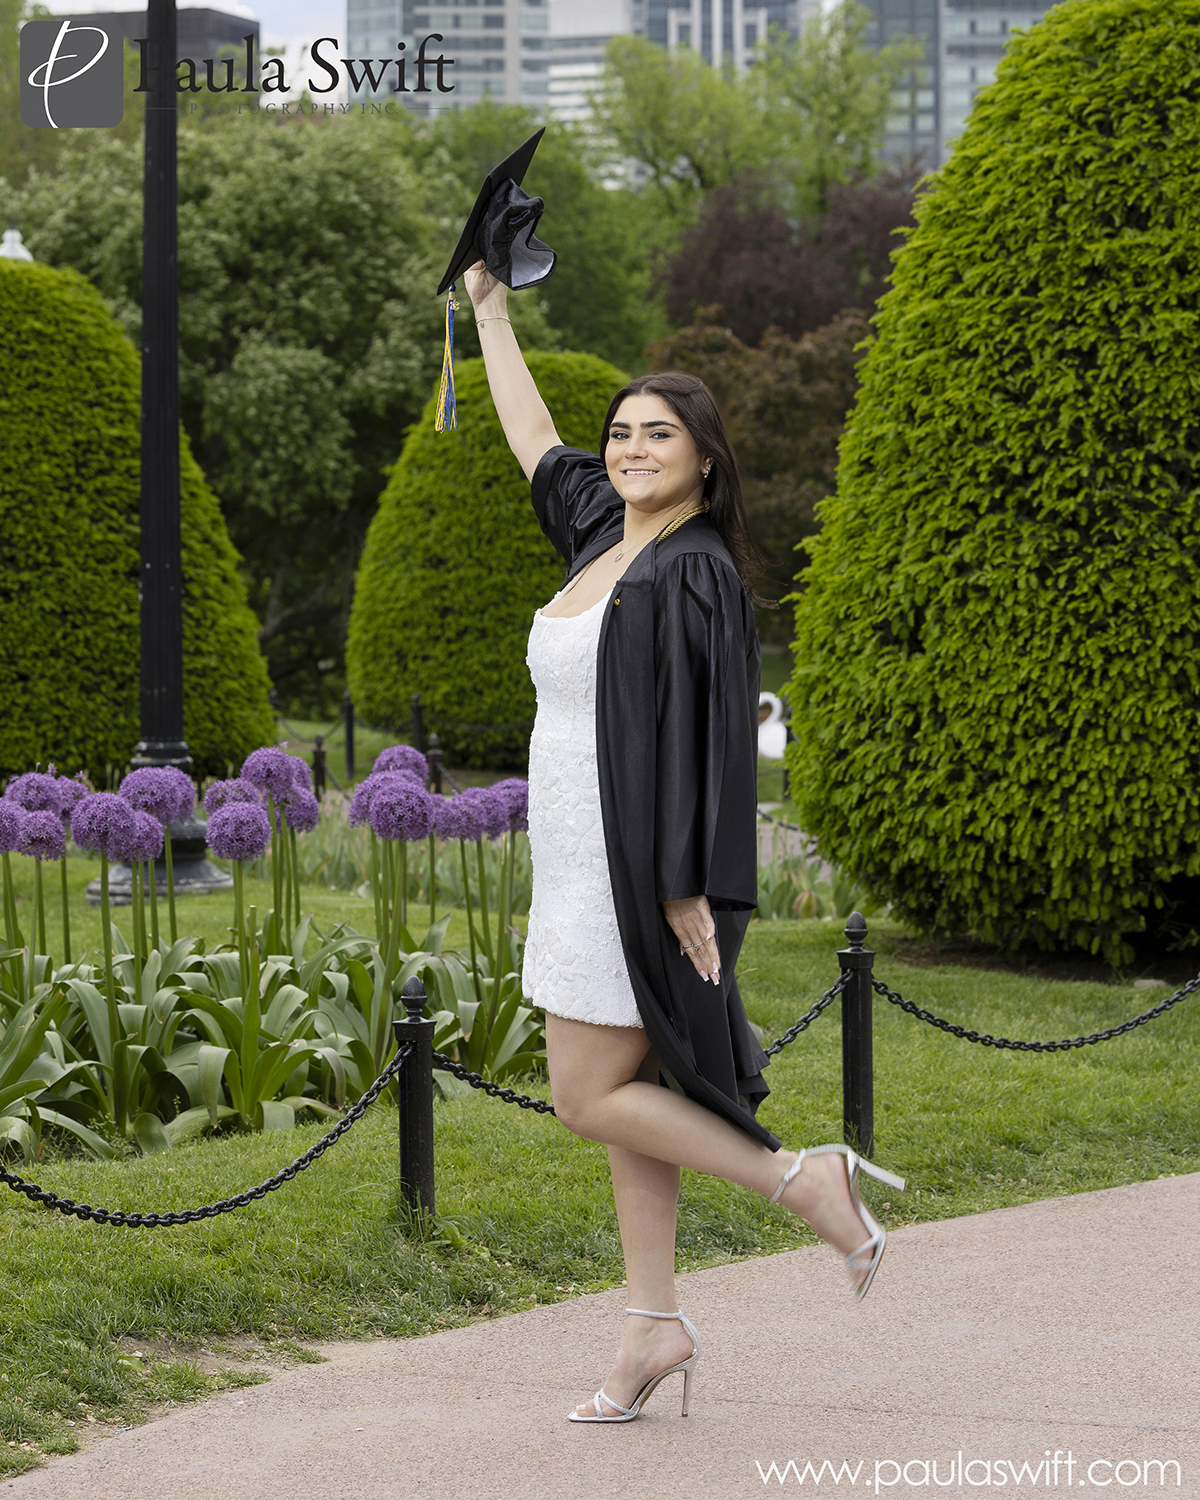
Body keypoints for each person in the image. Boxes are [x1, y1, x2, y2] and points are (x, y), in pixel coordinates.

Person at [464, 260, 906, 1425]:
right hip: (572, 864)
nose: (631, 448)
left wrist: (680, 886)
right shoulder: (602, 532)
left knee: (582, 1093)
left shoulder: (694, 572)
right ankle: (651, 1327)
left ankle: (800, 1179)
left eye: (659, 433)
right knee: (627, 1087)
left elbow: (711, 747)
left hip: (635, 877)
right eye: (621, 431)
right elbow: (533, 439)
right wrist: (491, 312)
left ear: (706, 458)